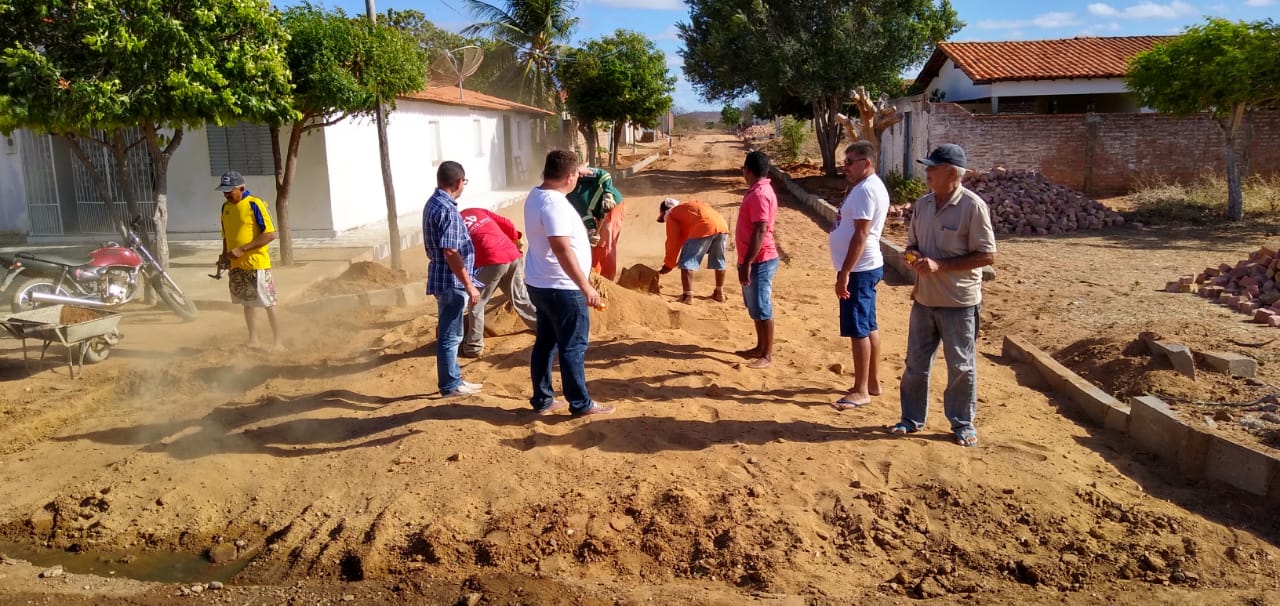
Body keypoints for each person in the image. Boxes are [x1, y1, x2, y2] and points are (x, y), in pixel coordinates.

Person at [895, 144, 997, 447]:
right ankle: (911, 419)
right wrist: (911, 255)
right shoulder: (923, 205)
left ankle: (962, 424)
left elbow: (988, 255)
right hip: (924, 300)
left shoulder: (972, 206)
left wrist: (941, 265)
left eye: (932, 168)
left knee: (961, 367)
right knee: (915, 364)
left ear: (951, 173)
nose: (926, 172)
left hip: (958, 303)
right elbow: (911, 243)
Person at [524, 150, 614, 417]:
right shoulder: (554, 204)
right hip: (561, 287)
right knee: (573, 346)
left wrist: (580, 168)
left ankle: (543, 400)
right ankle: (580, 404)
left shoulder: (536, 194)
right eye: (576, 174)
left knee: (545, 343)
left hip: (541, 283)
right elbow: (561, 248)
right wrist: (585, 286)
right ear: (570, 177)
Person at [829, 141, 890, 411]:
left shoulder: (866, 190)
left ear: (867, 163)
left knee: (858, 330)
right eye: (845, 162)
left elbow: (861, 234)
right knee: (868, 325)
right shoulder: (866, 187)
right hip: (864, 268)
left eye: (850, 162)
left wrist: (845, 272)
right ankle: (872, 382)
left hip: (860, 269)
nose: (846, 167)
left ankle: (861, 389)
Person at [423, 161, 483, 397]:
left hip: (443, 277)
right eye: (464, 182)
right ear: (459, 182)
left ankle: (454, 378)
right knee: (451, 335)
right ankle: (449, 385)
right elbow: (450, 250)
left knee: (453, 332)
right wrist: (469, 285)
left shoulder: (435, 202)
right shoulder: (447, 210)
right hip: (451, 280)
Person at [459, 207, 537, 358]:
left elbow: (462, 256)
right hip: (512, 254)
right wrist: (515, 239)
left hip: (492, 259)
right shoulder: (476, 211)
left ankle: (474, 346)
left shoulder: (454, 224)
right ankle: (543, 327)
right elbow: (506, 223)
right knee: (520, 298)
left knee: (476, 303)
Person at [217, 171, 282, 350]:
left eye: (230, 190)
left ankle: (278, 342)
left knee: (268, 303)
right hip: (237, 266)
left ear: (242, 188)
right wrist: (224, 256)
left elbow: (270, 234)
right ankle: (254, 339)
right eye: (224, 191)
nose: (226, 194)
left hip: (257, 264)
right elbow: (226, 235)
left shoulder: (255, 204)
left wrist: (243, 249)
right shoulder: (225, 208)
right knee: (247, 303)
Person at [734, 150, 780, 369]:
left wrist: (748, 262)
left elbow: (760, 230)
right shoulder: (758, 191)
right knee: (755, 306)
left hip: (760, 259)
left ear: (748, 170)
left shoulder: (760, 194)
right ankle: (760, 347)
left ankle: (767, 355)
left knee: (763, 307)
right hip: (752, 259)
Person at [656, 197, 729, 304]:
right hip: (722, 226)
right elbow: (685, 240)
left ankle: (687, 296)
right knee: (719, 261)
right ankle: (719, 293)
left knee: (686, 262)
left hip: (705, 226)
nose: (664, 220)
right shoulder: (688, 208)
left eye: (663, 218)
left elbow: (673, 241)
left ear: (664, 212)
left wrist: (668, 264)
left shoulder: (672, 214)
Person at [567, 165, 625, 280]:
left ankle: (608, 280)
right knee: (596, 244)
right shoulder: (568, 195)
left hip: (613, 206)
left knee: (606, 242)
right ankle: (595, 277)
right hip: (598, 213)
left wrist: (607, 194)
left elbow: (604, 175)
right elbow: (585, 213)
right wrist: (592, 230)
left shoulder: (578, 174)